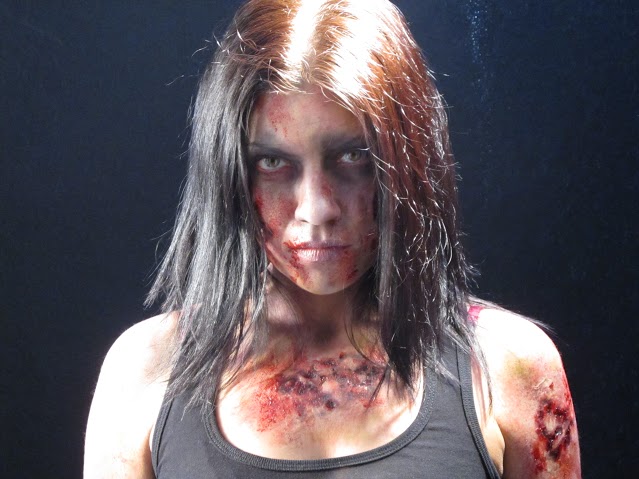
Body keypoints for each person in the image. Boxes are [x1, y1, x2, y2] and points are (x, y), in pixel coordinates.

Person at [84, 0, 581, 477]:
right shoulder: (145, 372)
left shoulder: (508, 367)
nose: (316, 209)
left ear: (406, 162)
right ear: (228, 172)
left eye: (353, 157)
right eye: (273, 162)